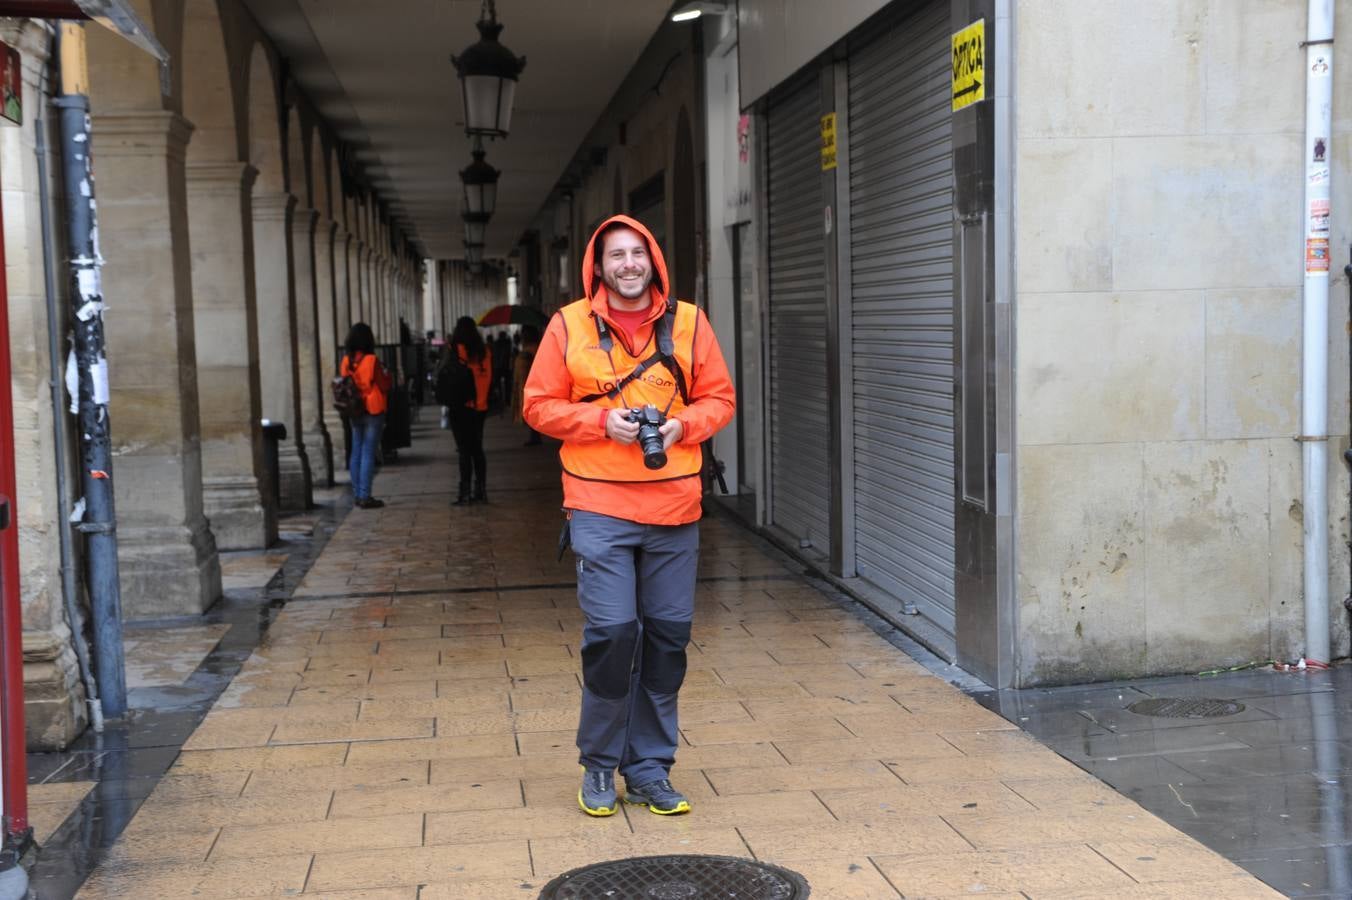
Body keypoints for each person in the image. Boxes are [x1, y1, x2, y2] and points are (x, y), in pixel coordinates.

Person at [523, 215, 735, 818]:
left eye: (637, 253)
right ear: (599, 266)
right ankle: (598, 763)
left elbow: (720, 398)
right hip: (598, 504)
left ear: (654, 260)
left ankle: (648, 768)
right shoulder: (568, 326)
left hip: (675, 507)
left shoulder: (690, 322)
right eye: (616, 255)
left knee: (667, 640)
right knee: (614, 635)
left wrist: (681, 425)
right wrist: (599, 423)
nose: (628, 264)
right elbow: (537, 405)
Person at [340, 322, 392, 509]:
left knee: (356, 451)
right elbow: (384, 385)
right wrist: (388, 375)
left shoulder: (346, 361)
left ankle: (357, 494)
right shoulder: (372, 360)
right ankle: (365, 496)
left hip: (355, 409)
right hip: (373, 408)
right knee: (369, 452)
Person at [444, 316, 493, 505]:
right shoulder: (485, 351)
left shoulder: (455, 350)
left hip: (460, 406)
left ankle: (464, 492)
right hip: (480, 406)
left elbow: (448, 376)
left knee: (464, 450)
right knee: (477, 449)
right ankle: (480, 490)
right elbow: (490, 377)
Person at [512, 325, 542, 446]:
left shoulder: (531, 350)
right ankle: (534, 435)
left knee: (531, 408)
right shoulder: (533, 347)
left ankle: (535, 435)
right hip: (529, 383)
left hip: (529, 383)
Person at [493, 331, 513, 411]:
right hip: (506, 367)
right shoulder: (507, 343)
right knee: (507, 385)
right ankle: (507, 400)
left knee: (498, 385)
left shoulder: (496, 343)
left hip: (498, 367)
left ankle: (500, 401)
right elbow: (509, 355)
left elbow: (495, 355)